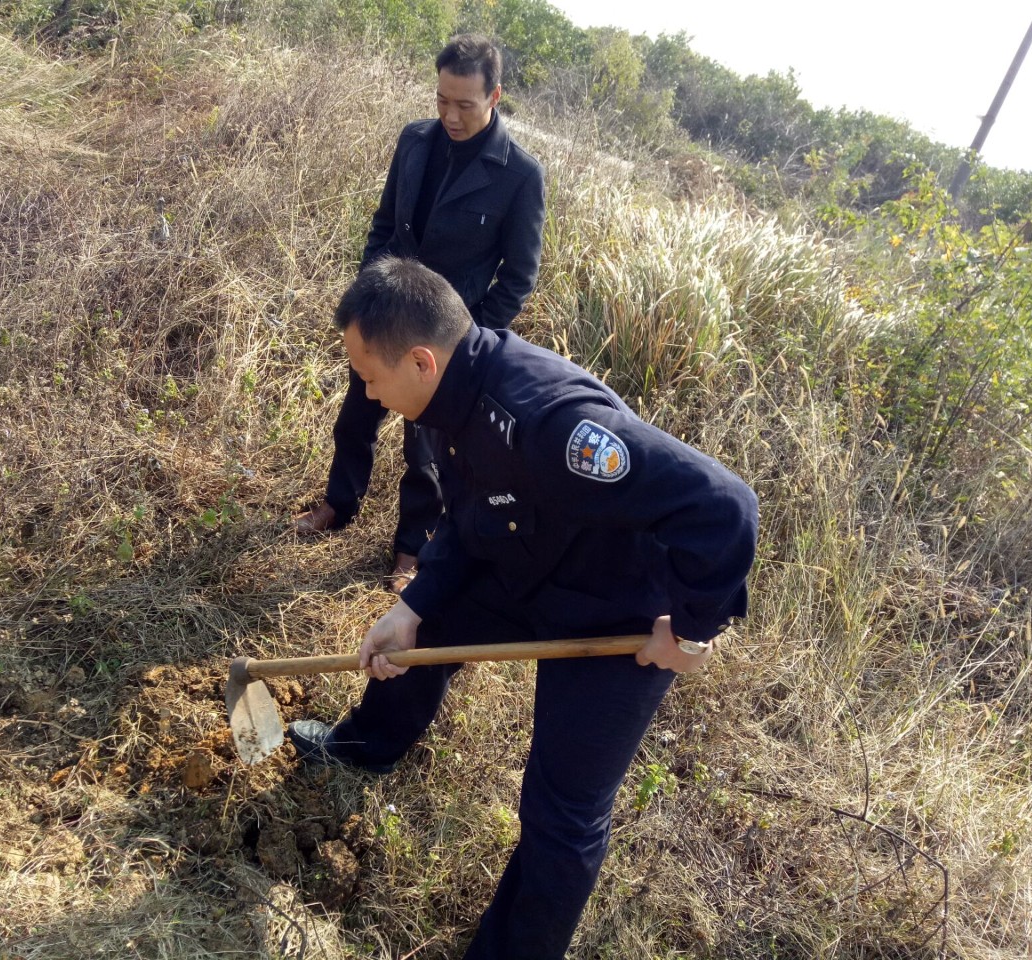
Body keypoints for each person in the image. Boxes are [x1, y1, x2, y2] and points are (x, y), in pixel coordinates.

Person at [287, 258, 760, 959]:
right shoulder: (452, 395)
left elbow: (725, 507)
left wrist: (689, 631)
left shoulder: (548, 422)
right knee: (429, 627)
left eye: (370, 375)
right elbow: (473, 514)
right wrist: (413, 605)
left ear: (419, 360)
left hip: (621, 616)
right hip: (534, 569)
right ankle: (367, 748)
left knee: (560, 811)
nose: (367, 391)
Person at [295, 34, 547, 592]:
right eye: (442, 100)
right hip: (386, 320)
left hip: (447, 342)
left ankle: (411, 550)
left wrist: (468, 340)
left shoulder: (519, 175)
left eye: (465, 104)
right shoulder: (414, 141)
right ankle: (338, 505)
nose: (450, 115)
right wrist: (369, 296)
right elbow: (385, 225)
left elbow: (518, 276)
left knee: (427, 450)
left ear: (495, 96)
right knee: (355, 418)